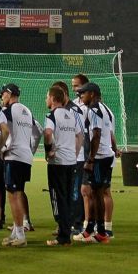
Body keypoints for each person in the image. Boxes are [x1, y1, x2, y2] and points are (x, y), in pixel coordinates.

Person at [0, 83, 39, 246]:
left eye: (3, 94)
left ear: (9, 93)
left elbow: (2, 131)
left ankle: (20, 234)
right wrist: (30, 149)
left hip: (13, 156)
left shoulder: (7, 111)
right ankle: (16, 232)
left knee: (14, 195)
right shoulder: (27, 111)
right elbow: (38, 131)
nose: (1, 97)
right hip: (25, 156)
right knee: (16, 192)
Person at [41, 82, 85, 247]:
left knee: (58, 198)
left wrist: (49, 150)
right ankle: (66, 233)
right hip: (71, 162)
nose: (46, 99)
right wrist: (74, 152)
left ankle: (63, 236)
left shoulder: (51, 116)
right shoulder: (71, 115)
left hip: (57, 162)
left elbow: (47, 133)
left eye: (47, 97)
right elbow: (80, 136)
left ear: (52, 99)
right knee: (67, 197)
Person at [78, 82, 118, 242]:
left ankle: (100, 232)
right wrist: (114, 148)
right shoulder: (105, 109)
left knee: (97, 194)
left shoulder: (94, 110)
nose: (80, 96)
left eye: (83, 93)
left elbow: (96, 134)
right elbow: (110, 132)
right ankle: (90, 229)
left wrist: (91, 159)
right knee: (96, 193)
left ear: (92, 94)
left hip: (99, 158)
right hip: (106, 155)